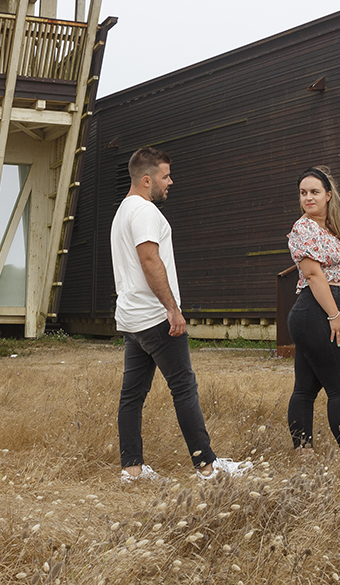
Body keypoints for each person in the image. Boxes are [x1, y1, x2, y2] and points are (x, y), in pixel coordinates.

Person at [111, 146, 252, 482]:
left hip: (133, 319)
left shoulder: (123, 211)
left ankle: (131, 469)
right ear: (147, 180)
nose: (170, 181)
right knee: (184, 387)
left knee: (132, 394)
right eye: (165, 176)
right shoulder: (145, 213)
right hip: (156, 318)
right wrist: (172, 310)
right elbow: (149, 261)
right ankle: (207, 467)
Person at [286, 165, 340, 451]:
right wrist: (335, 315)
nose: (308, 198)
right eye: (303, 193)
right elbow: (314, 275)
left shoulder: (327, 230)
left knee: (305, 389)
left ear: (328, 195)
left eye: (314, 192)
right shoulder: (303, 228)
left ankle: (303, 455)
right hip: (316, 312)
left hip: (317, 314)